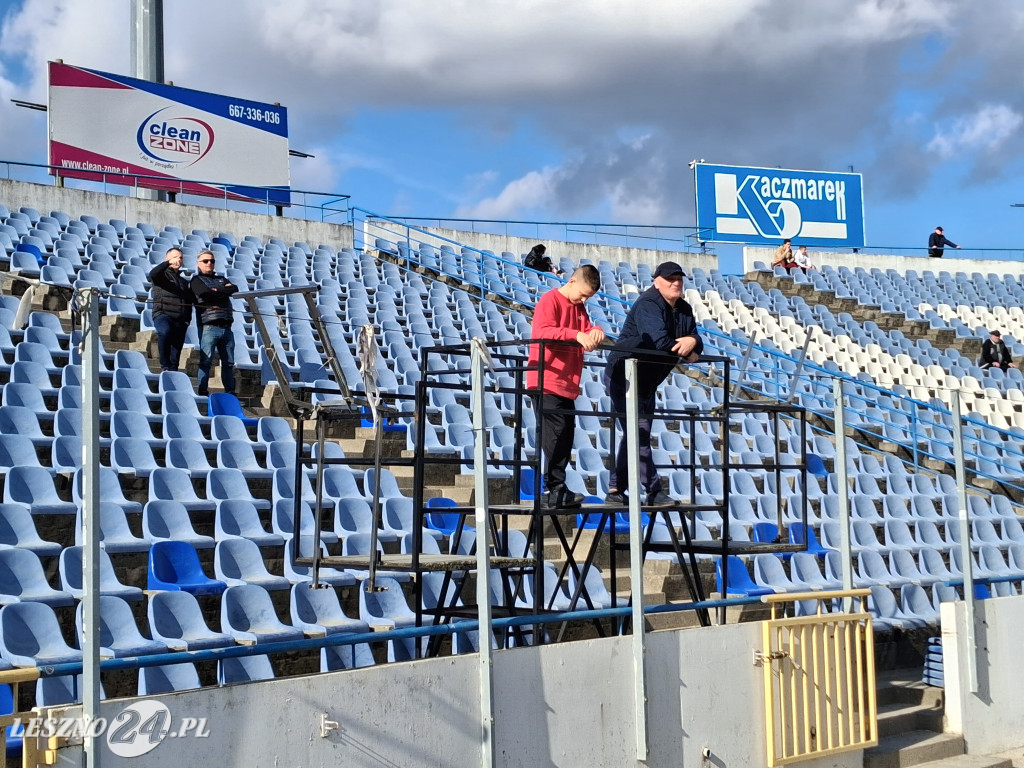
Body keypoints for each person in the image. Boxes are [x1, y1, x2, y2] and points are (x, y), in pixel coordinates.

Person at [604, 261, 703, 506]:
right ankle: (653, 491)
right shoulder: (649, 303)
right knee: (638, 435)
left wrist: (691, 340)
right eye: (670, 279)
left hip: (647, 381)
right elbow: (660, 342)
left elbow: (697, 344)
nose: (676, 282)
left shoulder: (684, 308)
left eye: (679, 278)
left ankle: (616, 490)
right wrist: (687, 345)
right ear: (656, 281)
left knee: (635, 435)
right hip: (624, 375)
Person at [526, 265, 606, 509]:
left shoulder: (579, 308)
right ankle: (554, 487)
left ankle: (558, 487)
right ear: (571, 281)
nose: (583, 300)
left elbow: (586, 329)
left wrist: (596, 331)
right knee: (555, 434)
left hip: (567, 383)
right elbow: (542, 331)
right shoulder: (550, 300)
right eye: (582, 294)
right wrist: (576, 335)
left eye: (588, 298)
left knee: (565, 435)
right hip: (546, 379)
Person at [190, 250, 239, 396]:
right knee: (206, 360)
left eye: (212, 261)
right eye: (205, 261)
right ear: (199, 264)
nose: (209, 263)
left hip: (226, 326)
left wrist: (215, 291)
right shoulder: (196, 280)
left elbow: (234, 288)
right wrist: (222, 291)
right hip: (209, 326)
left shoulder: (221, 278)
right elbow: (204, 293)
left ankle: (230, 392)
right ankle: (202, 390)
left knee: (229, 363)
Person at [148, 247, 193, 372]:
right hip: (163, 314)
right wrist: (167, 264)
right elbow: (153, 274)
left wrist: (187, 320)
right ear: (167, 259)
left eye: (181, 257)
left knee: (176, 354)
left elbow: (188, 301)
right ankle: (164, 365)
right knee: (165, 332)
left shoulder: (184, 282)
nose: (179, 259)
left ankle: (172, 371)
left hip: (180, 320)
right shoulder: (161, 276)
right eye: (175, 257)